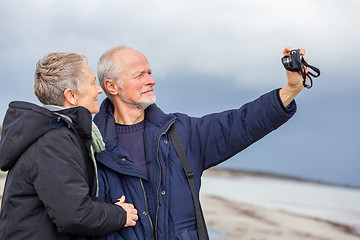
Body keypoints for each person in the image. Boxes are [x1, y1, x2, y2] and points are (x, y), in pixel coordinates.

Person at [93, 45, 307, 240]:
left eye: (149, 72)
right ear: (112, 86)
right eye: (140, 75)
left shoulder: (181, 132)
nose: (151, 80)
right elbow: (75, 215)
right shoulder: (91, 147)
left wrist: (290, 90)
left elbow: (239, 123)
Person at [0, 52, 138, 239]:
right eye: (91, 83)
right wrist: (121, 215)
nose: (98, 90)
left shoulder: (57, 134)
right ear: (71, 96)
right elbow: (75, 215)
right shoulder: (54, 142)